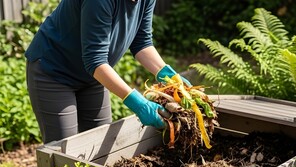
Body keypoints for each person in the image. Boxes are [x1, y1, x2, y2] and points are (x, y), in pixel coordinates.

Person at [25, 0, 191, 144]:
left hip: (93, 77)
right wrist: (137, 102)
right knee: (64, 154)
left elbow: (142, 41)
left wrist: (169, 75)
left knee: (100, 149)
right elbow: (95, 60)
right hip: (54, 72)